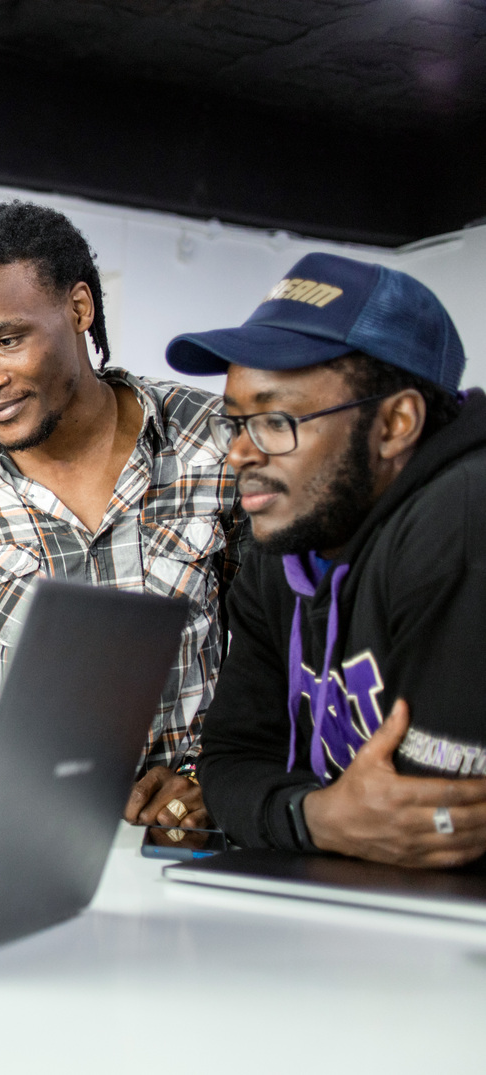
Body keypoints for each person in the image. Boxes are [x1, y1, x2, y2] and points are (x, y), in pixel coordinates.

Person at [0, 201, 246, 829]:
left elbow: (273, 644)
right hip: (1, 823)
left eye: (7, 341)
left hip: (176, 825)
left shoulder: (216, 444)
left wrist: (215, 775)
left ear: (79, 309)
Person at [168, 252, 486, 868]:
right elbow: (229, 762)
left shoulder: (462, 519)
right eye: (235, 423)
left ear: (395, 424)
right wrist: (315, 816)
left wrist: (294, 813)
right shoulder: (284, 542)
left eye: (275, 420)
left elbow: (429, 831)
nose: (239, 454)